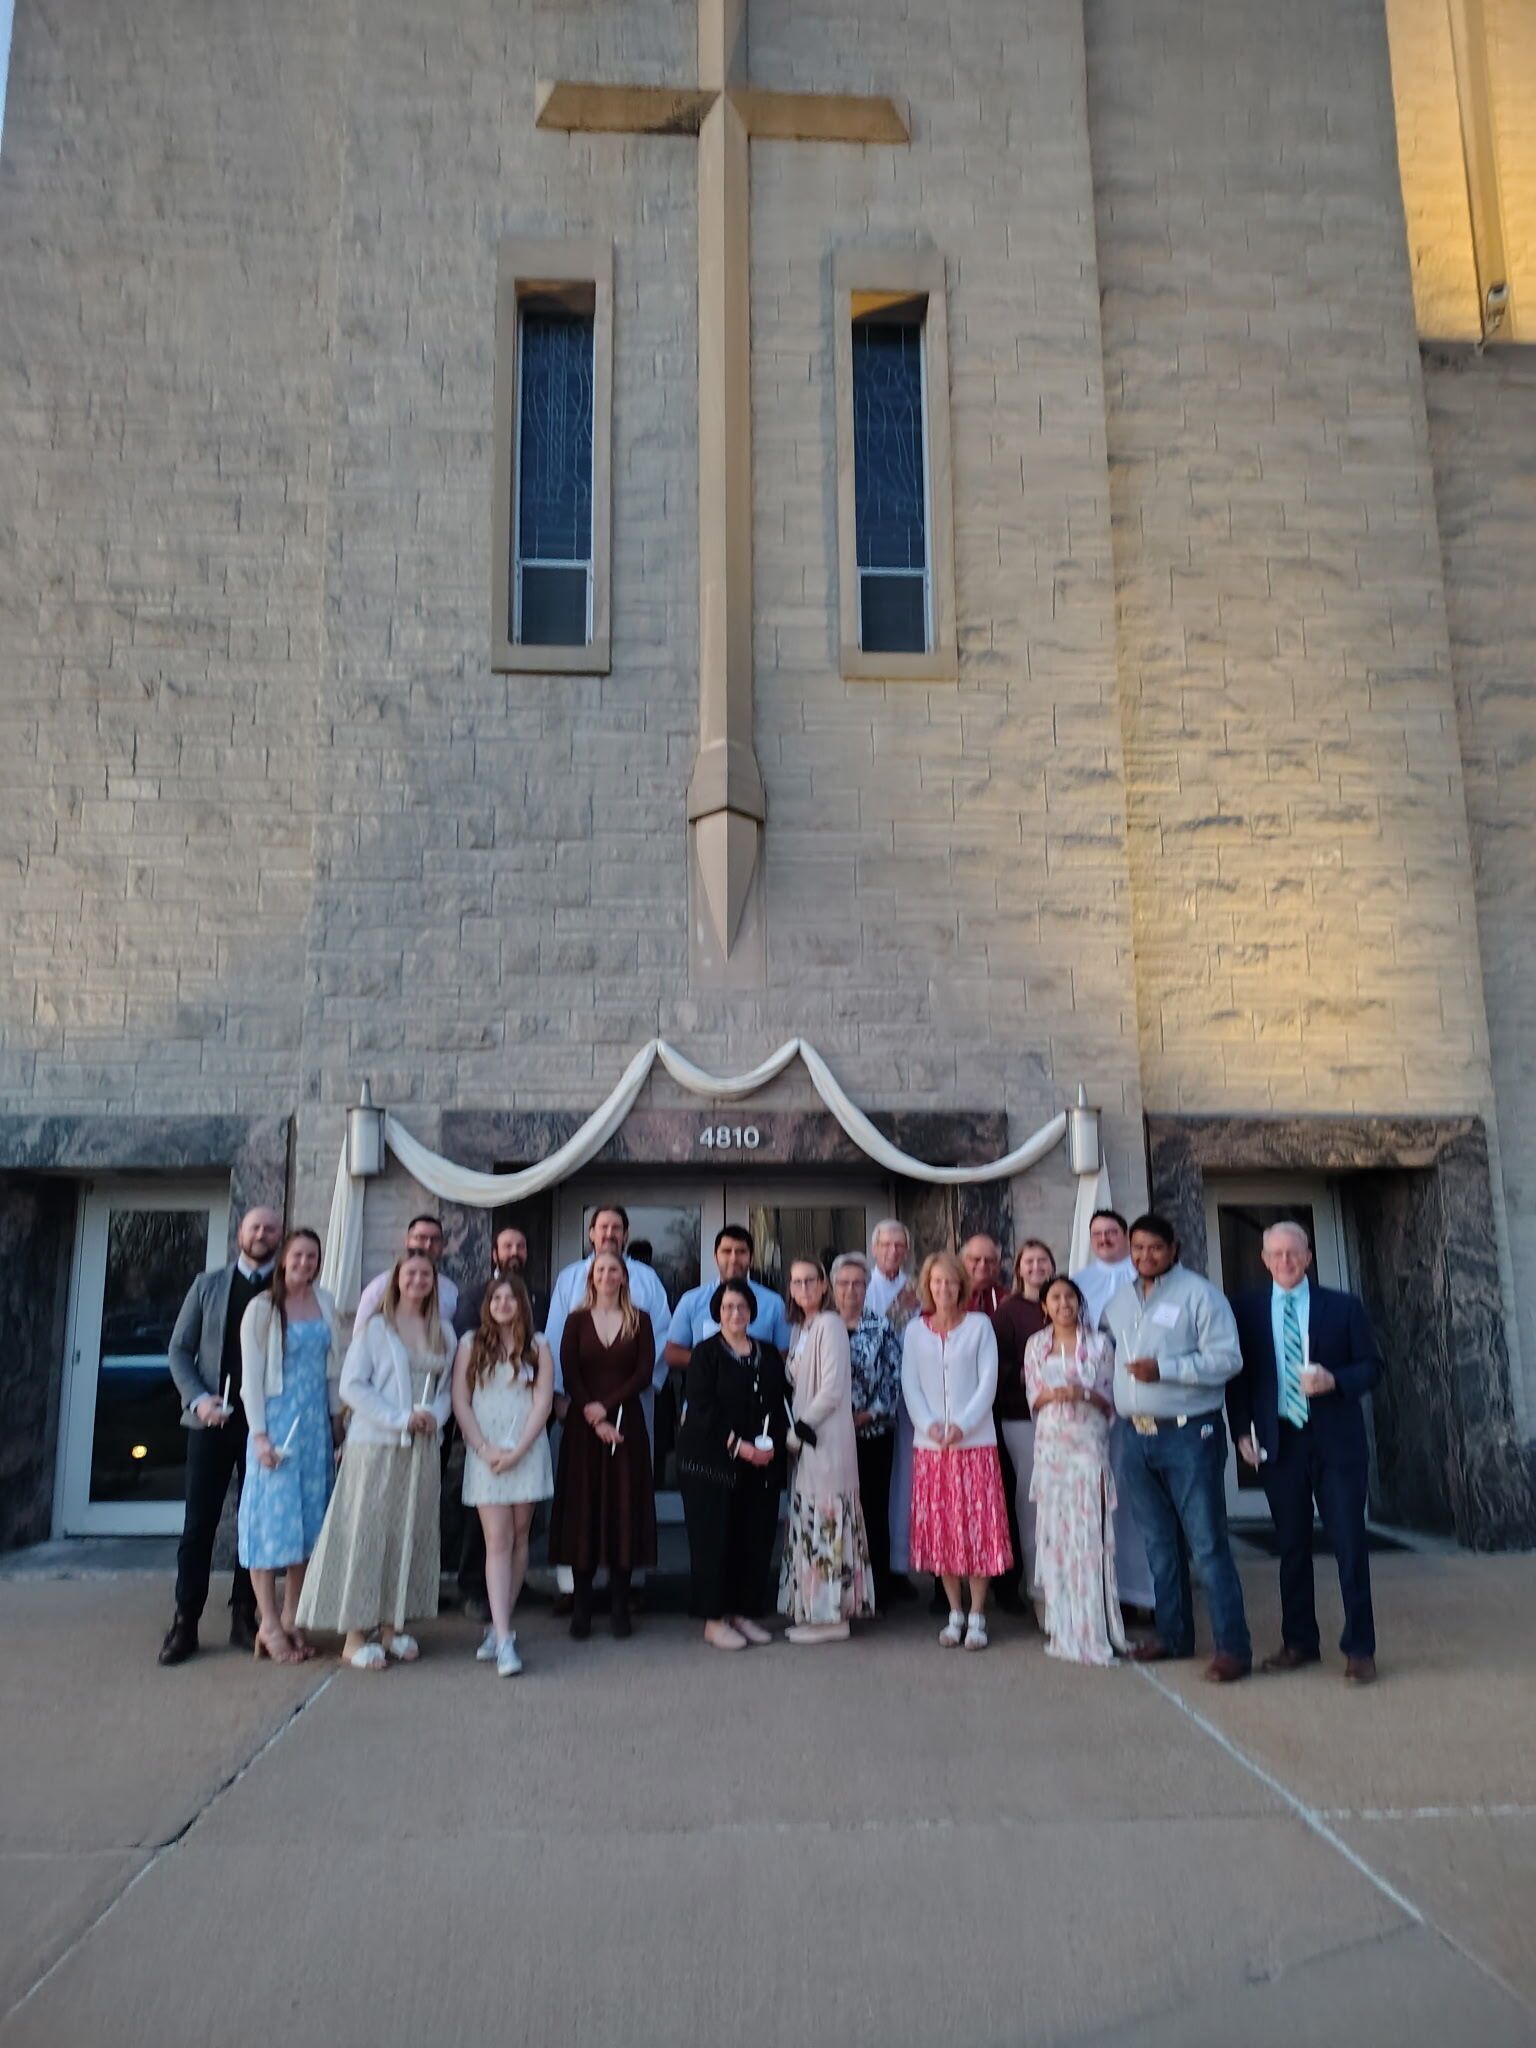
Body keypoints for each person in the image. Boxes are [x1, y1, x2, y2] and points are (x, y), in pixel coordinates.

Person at [1229, 1221, 1383, 1685]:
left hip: (1336, 1441)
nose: (1285, 1261)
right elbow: (1239, 1377)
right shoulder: (1247, 1309)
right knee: (1292, 1547)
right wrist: (1241, 1432)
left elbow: (1372, 1366)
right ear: (1264, 1260)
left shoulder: (1343, 1306)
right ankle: (1299, 1642)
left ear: (1309, 1257)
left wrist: (1335, 1380)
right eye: (1276, 1253)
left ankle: (1360, 1648)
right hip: (1280, 1442)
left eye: (1293, 1252)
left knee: (1349, 1544)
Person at [1102, 1214, 1252, 1684]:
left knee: (1207, 1545)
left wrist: (1165, 1369)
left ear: (1174, 1248)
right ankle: (1174, 1635)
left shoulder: (1200, 1295)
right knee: (1159, 1545)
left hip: (1189, 1435)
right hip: (1135, 1435)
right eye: (1138, 1248)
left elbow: (1228, 1359)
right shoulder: (1120, 1300)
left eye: (1155, 1248)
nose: (1145, 1256)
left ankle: (1233, 1648)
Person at [295, 1251, 455, 1670]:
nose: (418, 1279)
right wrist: (400, 1417)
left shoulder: (444, 1332)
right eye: (410, 1273)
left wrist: (433, 1417)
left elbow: (447, 1391)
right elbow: (351, 1386)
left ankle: (391, 1627)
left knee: (407, 1534)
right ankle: (354, 1635)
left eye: (426, 1274)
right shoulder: (376, 1328)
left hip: (420, 1449)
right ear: (397, 1279)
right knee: (367, 1535)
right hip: (376, 1446)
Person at [159, 1204, 282, 1665]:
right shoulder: (207, 1285)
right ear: (240, 1235)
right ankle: (185, 1621)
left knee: (255, 1524)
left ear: (280, 1236)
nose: (262, 1234)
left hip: (263, 1426)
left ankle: (245, 1614)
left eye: (270, 1228)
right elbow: (179, 1349)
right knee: (199, 1525)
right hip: (212, 1423)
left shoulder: (287, 1288)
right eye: (255, 1227)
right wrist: (198, 1399)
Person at [544, 1205, 670, 1611]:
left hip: (631, 1405)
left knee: (625, 1496)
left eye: (617, 1227)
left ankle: (629, 1585)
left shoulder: (646, 1279)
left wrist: (632, 1390)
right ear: (591, 1233)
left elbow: (661, 1337)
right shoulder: (570, 1277)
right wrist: (560, 1396)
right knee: (581, 1495)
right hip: (580, 1408)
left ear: (626, 1233)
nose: (610, 1233)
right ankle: (573, 1588)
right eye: (603, 1227)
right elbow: (556, 1338)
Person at [236, 1228, 343, 1665]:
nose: (305, 1263)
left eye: (312, 1256)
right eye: (298, 1255)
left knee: (306, 1526)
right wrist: (260, 1435)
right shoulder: (262, 1309)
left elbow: (334, 1368)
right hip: (277, 1426)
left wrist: (337, 1423)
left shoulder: (326, 1302)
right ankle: (267, 1623)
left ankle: (292, 1616)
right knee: (270, 1526)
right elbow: (251, 1380)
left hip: (314, 1425)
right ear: (283, 1259)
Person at [901, 1250, 1013, 1650]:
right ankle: (954, 1611)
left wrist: (962, 1425)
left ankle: (978, 1613)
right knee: (943, 1532)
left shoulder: (980, 1326)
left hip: (975, 1444)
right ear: (927, 1287)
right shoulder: (915, 1331)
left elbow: (988, 1381)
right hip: (932, 1449)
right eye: (937, 1282)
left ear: (961, 1286)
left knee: (978, 1530)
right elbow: (910, 1383)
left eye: (950, 1281)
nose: (944, 1288)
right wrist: (929, 1425)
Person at [675, 1278, 789, 1651]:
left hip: (759, 1462)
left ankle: (742, 1613)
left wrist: (776, 1444)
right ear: (717, 1313)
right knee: (714, 1540)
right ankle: (714, 1620)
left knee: (752, 1538)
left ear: (752, 1311)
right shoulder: (705, 1354)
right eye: (727, 1307)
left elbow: (780, 1400)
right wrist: (739, 1446)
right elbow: (702, 1407)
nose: (735, 1313)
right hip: (712, 1462)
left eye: (741, 1307)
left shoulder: (767, 1353)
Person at [452, 1275, 555, 1677]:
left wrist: (519, 1450)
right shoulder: (470, 1344)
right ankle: (504, 1639)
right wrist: (483, 1448)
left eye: (512, 1297)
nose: (504, 1304)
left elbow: (543, 1401)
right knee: (497, 1540)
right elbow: (461, 1401)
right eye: (497, 1298)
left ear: (522, 1304)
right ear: (487, 1304)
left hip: (525, 1451)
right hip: (487, 1452)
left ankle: (500, 1625)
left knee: (519, 1537)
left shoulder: (539, 1346)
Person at [1023, 1275, 1126, 1666]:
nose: (1063, 1303)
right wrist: (1053, 1393)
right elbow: (1034, 1396)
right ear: (1045, 1306)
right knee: (1057, 1530)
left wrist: (1081, 1392)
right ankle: (1062, 1620)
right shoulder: (1037, 1344)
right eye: (1055, 1298)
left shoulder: (1099, 1344)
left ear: (1079, 1303)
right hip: (1052, 1444)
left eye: (1070, 1297)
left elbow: (1111, 1397)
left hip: (1088, 1440)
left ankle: (1094, 1623)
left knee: (1088, 1529)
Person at [779, 1258, 873, 1643]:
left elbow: (833, 1388)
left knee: (827, 1524)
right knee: (810, 1523)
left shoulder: (830, 1325)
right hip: (807, 1442)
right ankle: (815, 1612)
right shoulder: (801, 1328)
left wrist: (800, 1429)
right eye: (796, 1282)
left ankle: (833, 1617)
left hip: (827, 1439)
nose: (803, 1288)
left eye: (810, 1281)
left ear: (823, 1286)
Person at [1071, 1208, 1156, 1619]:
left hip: (1142, 1397)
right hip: (1096, 1400)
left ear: (1125, 1236)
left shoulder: (1143, 1278)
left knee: (1141, 1495)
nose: (1104, 1239)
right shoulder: (1079, 1282)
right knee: (1105, 1497)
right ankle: (1109, 1589)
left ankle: (1148, 1592)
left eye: (1111, 1232)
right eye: (1097, 1234)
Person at [832, 1252, 903, 1609]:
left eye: (858, 1283)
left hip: (872, 1434)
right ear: (833, 1287)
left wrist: (869, 1414)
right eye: (844, 1283)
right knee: (837, 1510)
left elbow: (894, 1376)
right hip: (830, 1436)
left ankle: (878, 1591)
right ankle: (840, 1591)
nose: (851, 1290)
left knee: (872, 1509)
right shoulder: (820, 1325)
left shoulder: (882, 1326)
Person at [989, 1238, 1055, 1619]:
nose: (1036, 1267)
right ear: (1018, 1269)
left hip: (1065, 1420)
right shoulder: (1008, 1312)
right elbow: (997, 1367)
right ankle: (1036, 1589)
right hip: (1021, 1418)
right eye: (1029, 1261)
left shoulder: (1062, 1302)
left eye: (1042, 1260)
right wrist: (1034, 1378)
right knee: (1031, 1504)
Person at [868, 1218, 920, 1601]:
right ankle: (876, 1568)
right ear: (874, 1248)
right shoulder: (861, 1286)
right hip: (871, 1403)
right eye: (886, 1244)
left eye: (899, 1245)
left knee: (906, 1478)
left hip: (912, 1394)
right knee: (877, 1485)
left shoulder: (917, 1288)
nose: (892, 1251)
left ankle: (901, 1565)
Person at [663, 1224, 791, 1367]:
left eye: (741, 1252)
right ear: (716, 1257)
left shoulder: (774, 1303)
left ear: (751, 1258)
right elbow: (672, 1354)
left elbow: (785, 1354)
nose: (734, 1259)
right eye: (726, 1251)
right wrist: (715, 1362)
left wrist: (749, 1365)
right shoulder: (691, 1301)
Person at [353, 1214, 459, 1334]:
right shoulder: (379, 1287)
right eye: (421, 1238)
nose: (428, 1244)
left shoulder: (450, 1291)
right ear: (407, 1241)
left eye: (435, 1239)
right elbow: (360, 1336)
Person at [455, 1222, 549, 1338]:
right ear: (495, 1255)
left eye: (520, 1246)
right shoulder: (472, 1298)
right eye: (507, 1246)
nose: (515, 1252)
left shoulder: (541, 1300)